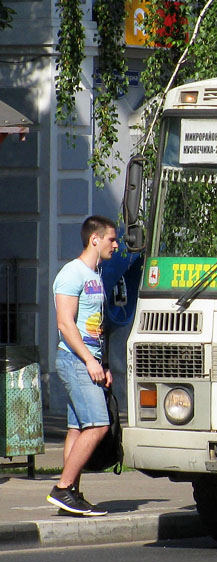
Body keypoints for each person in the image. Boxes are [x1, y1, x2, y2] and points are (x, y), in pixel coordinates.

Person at [47, 215, 119, 517]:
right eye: (111, 239)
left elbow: (94, 327)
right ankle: (63, 488)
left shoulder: (95, 274)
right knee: (99, 425)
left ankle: (70, 495)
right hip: (75, 361)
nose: (115, 245)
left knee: (77, 428)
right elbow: (65, 323)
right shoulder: (71, 273)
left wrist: (101, 363)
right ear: (94, 239)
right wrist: (89, 361)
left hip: (88, 361)